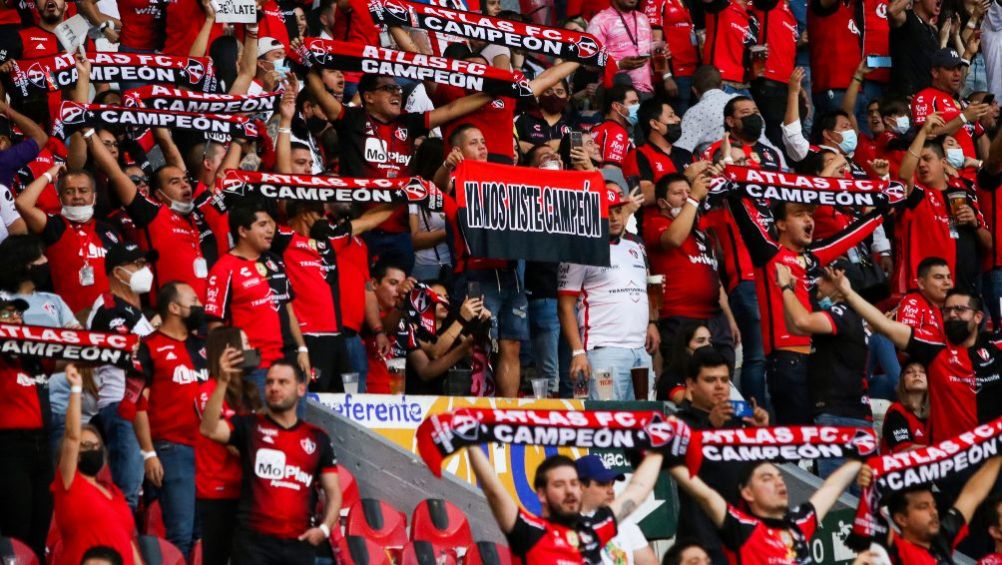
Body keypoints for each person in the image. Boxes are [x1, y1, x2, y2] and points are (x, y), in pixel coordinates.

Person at [727, 185, 882, 425]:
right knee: (798, 439)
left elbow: (850, 235)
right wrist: (732, 185)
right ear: (780, 224)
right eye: (799, 214)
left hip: (819, 362)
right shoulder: (769, 253)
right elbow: (743, 218)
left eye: (810, 215)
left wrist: (883, 211)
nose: (809, 219)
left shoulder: (813, 257)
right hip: (787, 362)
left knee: (817, 438)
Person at [200, 359, 342, 565]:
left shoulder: (317, 438)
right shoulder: (249, 426)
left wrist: (325, 528)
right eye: (269, 382)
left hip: (299, 544)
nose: (274, 387)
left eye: (283, 382)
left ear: (301, 389)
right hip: (253, 545)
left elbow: (333, 491)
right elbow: (209, 429)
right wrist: (221, 382)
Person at [836, 273, 1002, 446]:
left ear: (978, 317)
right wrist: (848, 293)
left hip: (993, 457)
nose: (952, 314)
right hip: (950, 461)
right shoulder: (934, 347)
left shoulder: (996, 345)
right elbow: (887, 327)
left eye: (960, 309)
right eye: (947, 310)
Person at [467, 442, 665, 562]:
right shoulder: (528, 531)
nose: (570, 491)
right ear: (542, 494)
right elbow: (494, 491)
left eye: (573, 483)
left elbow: (637, 491)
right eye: (559, 485)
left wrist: (659, 449)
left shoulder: (591, 532)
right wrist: (470, 443)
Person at [559, 184, 658, 400]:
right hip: (603, 351)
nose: (613, 217)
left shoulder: (636, 245)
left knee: (643, 425)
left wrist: (652, 322)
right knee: (606, 423)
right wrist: (577, 352)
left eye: (618, 210)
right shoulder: (580, 248)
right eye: (606, 211)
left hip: (641, 352)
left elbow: (643, 289)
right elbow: (565, 306)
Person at [204, 199, 311, 396]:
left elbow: (288, 309)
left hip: (290, 361)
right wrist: (225, 370)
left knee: (294, 422)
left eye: (271, 224)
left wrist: (302, 350)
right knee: (262, 426)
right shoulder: (223, 269)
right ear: (243, 231)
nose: (270, 230)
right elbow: (214, 325)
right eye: (262, 225)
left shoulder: (275, 262)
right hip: (256, 368)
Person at [775, 261, 872, 479]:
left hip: (839, 418)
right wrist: (788, 293)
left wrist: (786, 288)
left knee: (838, 501)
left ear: (842, 284)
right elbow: (794, 326)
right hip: (851, 416)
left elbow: (801, 321)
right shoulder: (850, 316)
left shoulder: (842, 312)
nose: (818, 281)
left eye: (826, 278)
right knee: (853, 502)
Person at [131, 281, 207, 557]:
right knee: (181, 533)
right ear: (174, 308)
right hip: (173, 449)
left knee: (203, 535)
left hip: (208, 451)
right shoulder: (147, 348)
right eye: (195, 300)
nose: (200, 306)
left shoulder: (204, 345)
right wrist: (149, 452)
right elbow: (137, 404)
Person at [668, 456, 863, 563]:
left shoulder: (798, 525)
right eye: (767, 478)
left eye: (779, 477)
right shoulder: (741, 528)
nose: (780, 483)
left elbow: (833, 487)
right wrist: (662, 454)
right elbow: (704, 495)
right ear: (747, 493)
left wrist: (860, 455)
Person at [673, 347, 768, 565]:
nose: (719, 386)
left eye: (725, 380)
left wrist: (761, 435)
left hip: (743, 540)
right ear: (691, 385)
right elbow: (681, 461)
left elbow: (758, 475)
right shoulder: (679, 423)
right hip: (700, 544)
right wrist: (710, 426)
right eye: (710, 380)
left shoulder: (741, 423)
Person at [644, 172, 736, 380]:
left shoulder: (702, 232)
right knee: (683, 378)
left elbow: (715, 280)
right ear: (662, 202)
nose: (686, 196)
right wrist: (695, 198)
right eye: (679, 193)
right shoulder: (656, 223)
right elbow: (674, 239)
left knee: (722, 377)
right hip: (679, 318)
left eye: (689, 192)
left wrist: (729, 319)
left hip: (715, 319)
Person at [87, 242, 157, 510]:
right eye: (138, 265)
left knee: (145, 494)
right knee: (126, 490)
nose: (145, 270)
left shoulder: (139, 314)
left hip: (143, 409)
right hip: (122, 405)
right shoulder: (107, 306)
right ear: (117, 272)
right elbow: (133, 355)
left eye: (145, 264)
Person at [53, 364, 141, 565]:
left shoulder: (114, 492)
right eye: (85, 446)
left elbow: (127, 540)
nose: (92, 449)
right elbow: (72, 436)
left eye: (96, 445)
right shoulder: (69, 484)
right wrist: (76, 388)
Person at [894, 114, 991, 295]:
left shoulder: (962, 194)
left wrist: (975, 223)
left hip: (967, 290)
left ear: (943, 163)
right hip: (929, 291)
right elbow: (904, 175)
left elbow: (989, 243)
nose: (921, 165)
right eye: (918, 161)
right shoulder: (917, 196)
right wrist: (923, 132)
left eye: (927, 159)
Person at [15, 165, 122, 314]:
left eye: (83, 191)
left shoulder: (110, 232)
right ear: (60, 198)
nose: (77, 196)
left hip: (106, 318)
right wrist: (49, 175)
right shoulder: (54, 225)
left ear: (94, 197)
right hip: (67, 320)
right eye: (69, 192)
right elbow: (22, 203)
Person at [195, 326, 260, 565]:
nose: (252, 349)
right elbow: (235, 444)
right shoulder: (207, 392)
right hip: (218, 493)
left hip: (246, 492)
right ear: (228, 352)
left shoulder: (249, 391)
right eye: (246, 343)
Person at [860, 455, 1002, 562]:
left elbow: (972, 495)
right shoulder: (894, 550)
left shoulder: (941, 540)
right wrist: (867, 484)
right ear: (901, 519)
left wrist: (997, 454)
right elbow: (871, 517)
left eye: (934, 505)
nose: (933, 511)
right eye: (923, 507)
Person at [0, 297, 51, 561]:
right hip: (9, 448)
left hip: (43, 448)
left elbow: (73, 359)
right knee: (16, 528)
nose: (17, 319)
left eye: (18, 314)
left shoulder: (34, 358)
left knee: (40, 529)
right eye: (8, 314)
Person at [575, 454, 658, 565]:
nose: (611, 491)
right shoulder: (562, 528)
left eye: (612, 483)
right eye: (603, 484)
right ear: (580, 486)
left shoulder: (624, 523)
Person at [624, 99, 693, 202]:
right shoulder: (638, 155)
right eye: (671, 116)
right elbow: (642, 197)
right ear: (655, 124)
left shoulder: (685, 154)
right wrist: (686, 177)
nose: (678, 119)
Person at [587, 0, 654, 96]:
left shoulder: (643, 18)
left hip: (646, 91)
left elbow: (649, 52)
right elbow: (589, 64)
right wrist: (619, 64)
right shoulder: (599, 21)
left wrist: (660, 52)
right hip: (616, 93)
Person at [896, 257, 953, 340]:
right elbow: (906, 342)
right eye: (939, 277)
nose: (947, 282)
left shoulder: (954, 306)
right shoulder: (912, 302)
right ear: (921, 283)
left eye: (949, 277)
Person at [656, 320, 711, 403]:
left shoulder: (715, 372)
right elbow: (687, 404)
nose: (708, 345)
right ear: (685, 347)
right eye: (700, 341)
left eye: (710, 341)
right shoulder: (671, 377)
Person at [881, 361, 930, 453]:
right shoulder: (896, 411)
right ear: (902, 381)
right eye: (909, 372)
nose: (917, 374)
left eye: (922, 372)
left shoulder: (934, 414)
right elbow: (903, 449)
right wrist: (939, 449)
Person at [591, 84, 640, 169]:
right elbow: (612, 171)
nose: (638, 107)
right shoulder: (616, 132)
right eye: (633, 102)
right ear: (616, 106)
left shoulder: (596, 128)